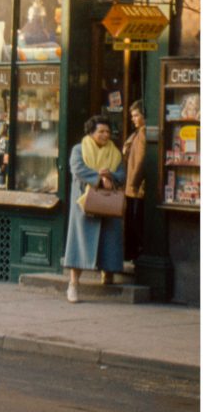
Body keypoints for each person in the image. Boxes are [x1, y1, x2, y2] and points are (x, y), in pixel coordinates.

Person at [62, 115, 126, 302]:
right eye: (101, 131)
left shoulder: (115, 153)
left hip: (107, 203)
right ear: (91, 133)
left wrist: (111, 176)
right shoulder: (78, 149)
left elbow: (122, 173)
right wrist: (99, 178)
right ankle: (73, 284)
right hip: (85, 203)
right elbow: (77, 168)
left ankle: (108, 274)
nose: (106, 135)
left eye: (108, 132)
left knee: (109, 239)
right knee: (80, 243)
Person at [122, 100, 148, 266]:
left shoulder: (144, 133)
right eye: (132, 116)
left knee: (135, 222)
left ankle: (136, 254)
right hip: (132, 186)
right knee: (132, 221)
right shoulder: (138, 133)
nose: (133, 119)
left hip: (135, 187)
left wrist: (133, 182)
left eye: (136, 115)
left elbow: (141, 160)